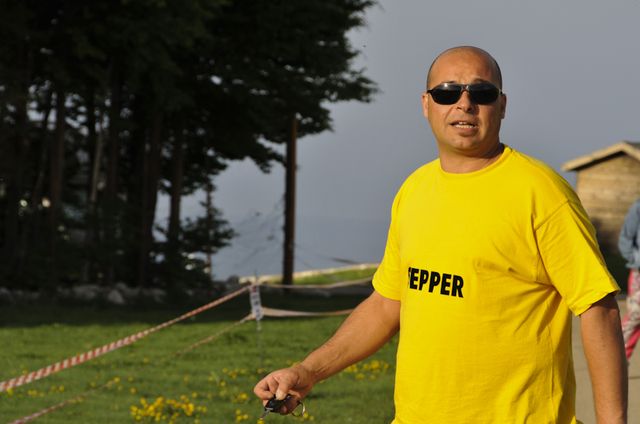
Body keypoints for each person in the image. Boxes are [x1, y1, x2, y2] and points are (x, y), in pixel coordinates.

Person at [254, 46, 628, 423]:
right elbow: (386, 305)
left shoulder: (542, 193)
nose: (464, 104)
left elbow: (598, 310)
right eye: (447, 92)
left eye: (482, 93)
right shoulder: (414, 190)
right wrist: (308, 371)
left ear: (501, 105)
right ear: (426, 104)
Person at [619, 198, 640, 361]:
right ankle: (617, 359)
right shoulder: (638, 208)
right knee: (636, 315)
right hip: (639, 271)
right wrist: (636, 261)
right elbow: (625, 240)